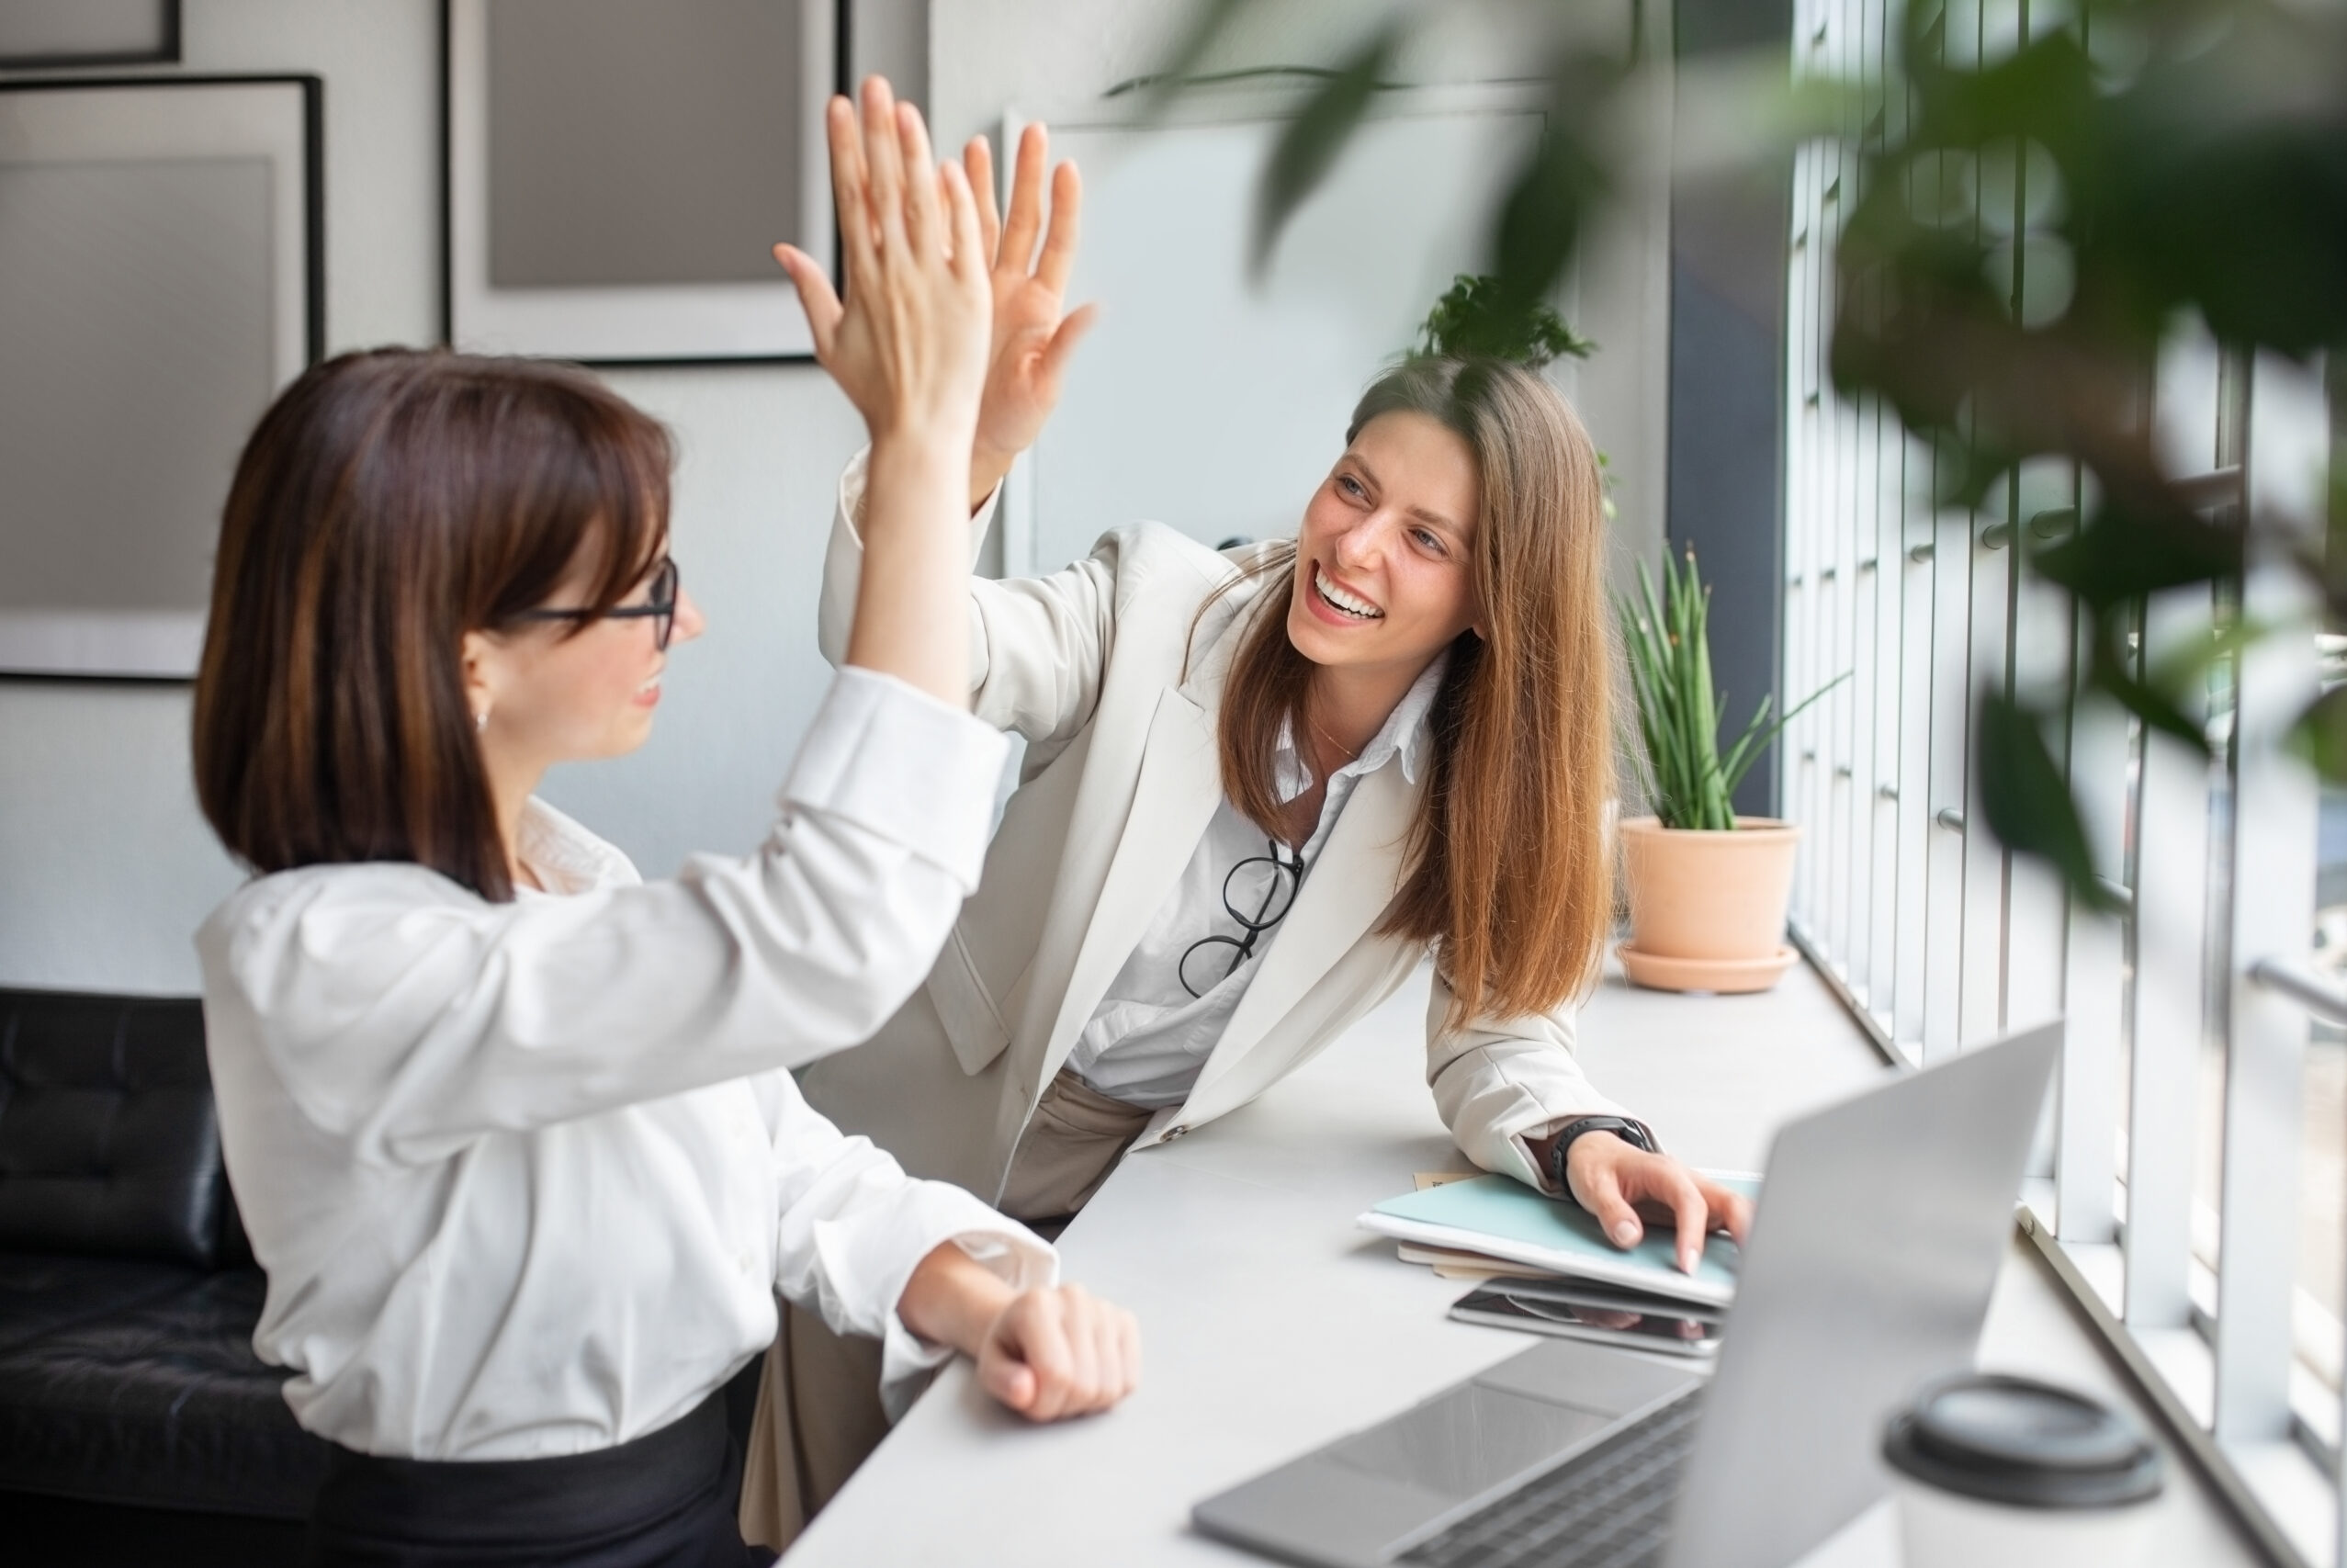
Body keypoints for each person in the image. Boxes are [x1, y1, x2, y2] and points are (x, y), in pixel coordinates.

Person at [744, 124, 1752, 1534]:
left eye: (1425, 537)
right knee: (849, 1524)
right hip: (916, 1132)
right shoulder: (1156, 604)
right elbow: (916, 651)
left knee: (1032, 1522)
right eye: (1355, 488)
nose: (1352, 548)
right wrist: (945, 459)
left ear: (1490, 596)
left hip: (1128, 1191)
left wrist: (1582, 1134)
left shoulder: (1491, 788)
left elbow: (1498, 1033)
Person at [191, 80, 1135, 1568]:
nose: (685, 623)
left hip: (695, 1519)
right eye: (640, 588)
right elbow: (829, 932)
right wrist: (917, 455)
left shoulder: (572, 883)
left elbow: (777, 1169)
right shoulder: (325, 961)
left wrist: (981, 1291)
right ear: (466, 654)